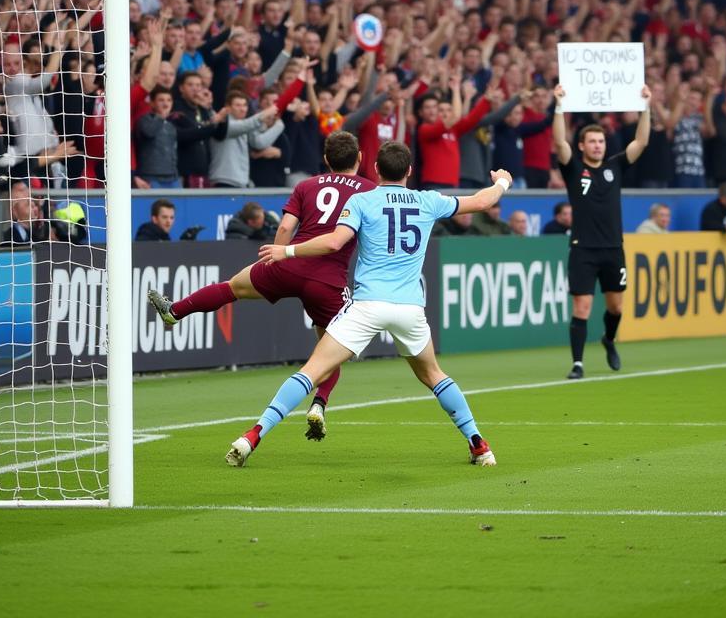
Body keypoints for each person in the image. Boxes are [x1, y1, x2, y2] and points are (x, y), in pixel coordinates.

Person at [223, 140, 513, 468]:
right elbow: (481, 201)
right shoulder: (428, 201)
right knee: (434, 375)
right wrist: (501, 181)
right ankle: (478, 444)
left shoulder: (362, 200)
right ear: (409, 171)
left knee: (312, 370)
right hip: (409, 309)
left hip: (367, 305)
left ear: (375, 170)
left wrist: (286, 251)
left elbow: (334, 242)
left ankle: (254, 434)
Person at [148, 131, 375, 439]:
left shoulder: (306, 185)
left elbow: (284, 227)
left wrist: (275, 260)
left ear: (325, 160)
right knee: (329, 350)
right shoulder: (369, 191)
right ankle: (319, 404)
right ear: (360, 158)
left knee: (232, 287)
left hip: (290, 263)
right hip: (327, 279)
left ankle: (175, 311)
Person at [552, 84, 652, 380]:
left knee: (615, 305)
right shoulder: (573, 168)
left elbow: (642, 141)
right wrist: (559, 106)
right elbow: (559, 142)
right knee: (582, 306)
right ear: (582, 146)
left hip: (612, 248)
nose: (597, 145)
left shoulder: (615, 166)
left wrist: (646, 106)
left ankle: (609, 339)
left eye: (600, 141)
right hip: (583, 248)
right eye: (592, 141)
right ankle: (578, 364)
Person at [0, 181, 48, 246]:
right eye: (28, 204)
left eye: (34, 204)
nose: (35, 208)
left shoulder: (35, 237)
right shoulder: (6, 239)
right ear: (14, 209)